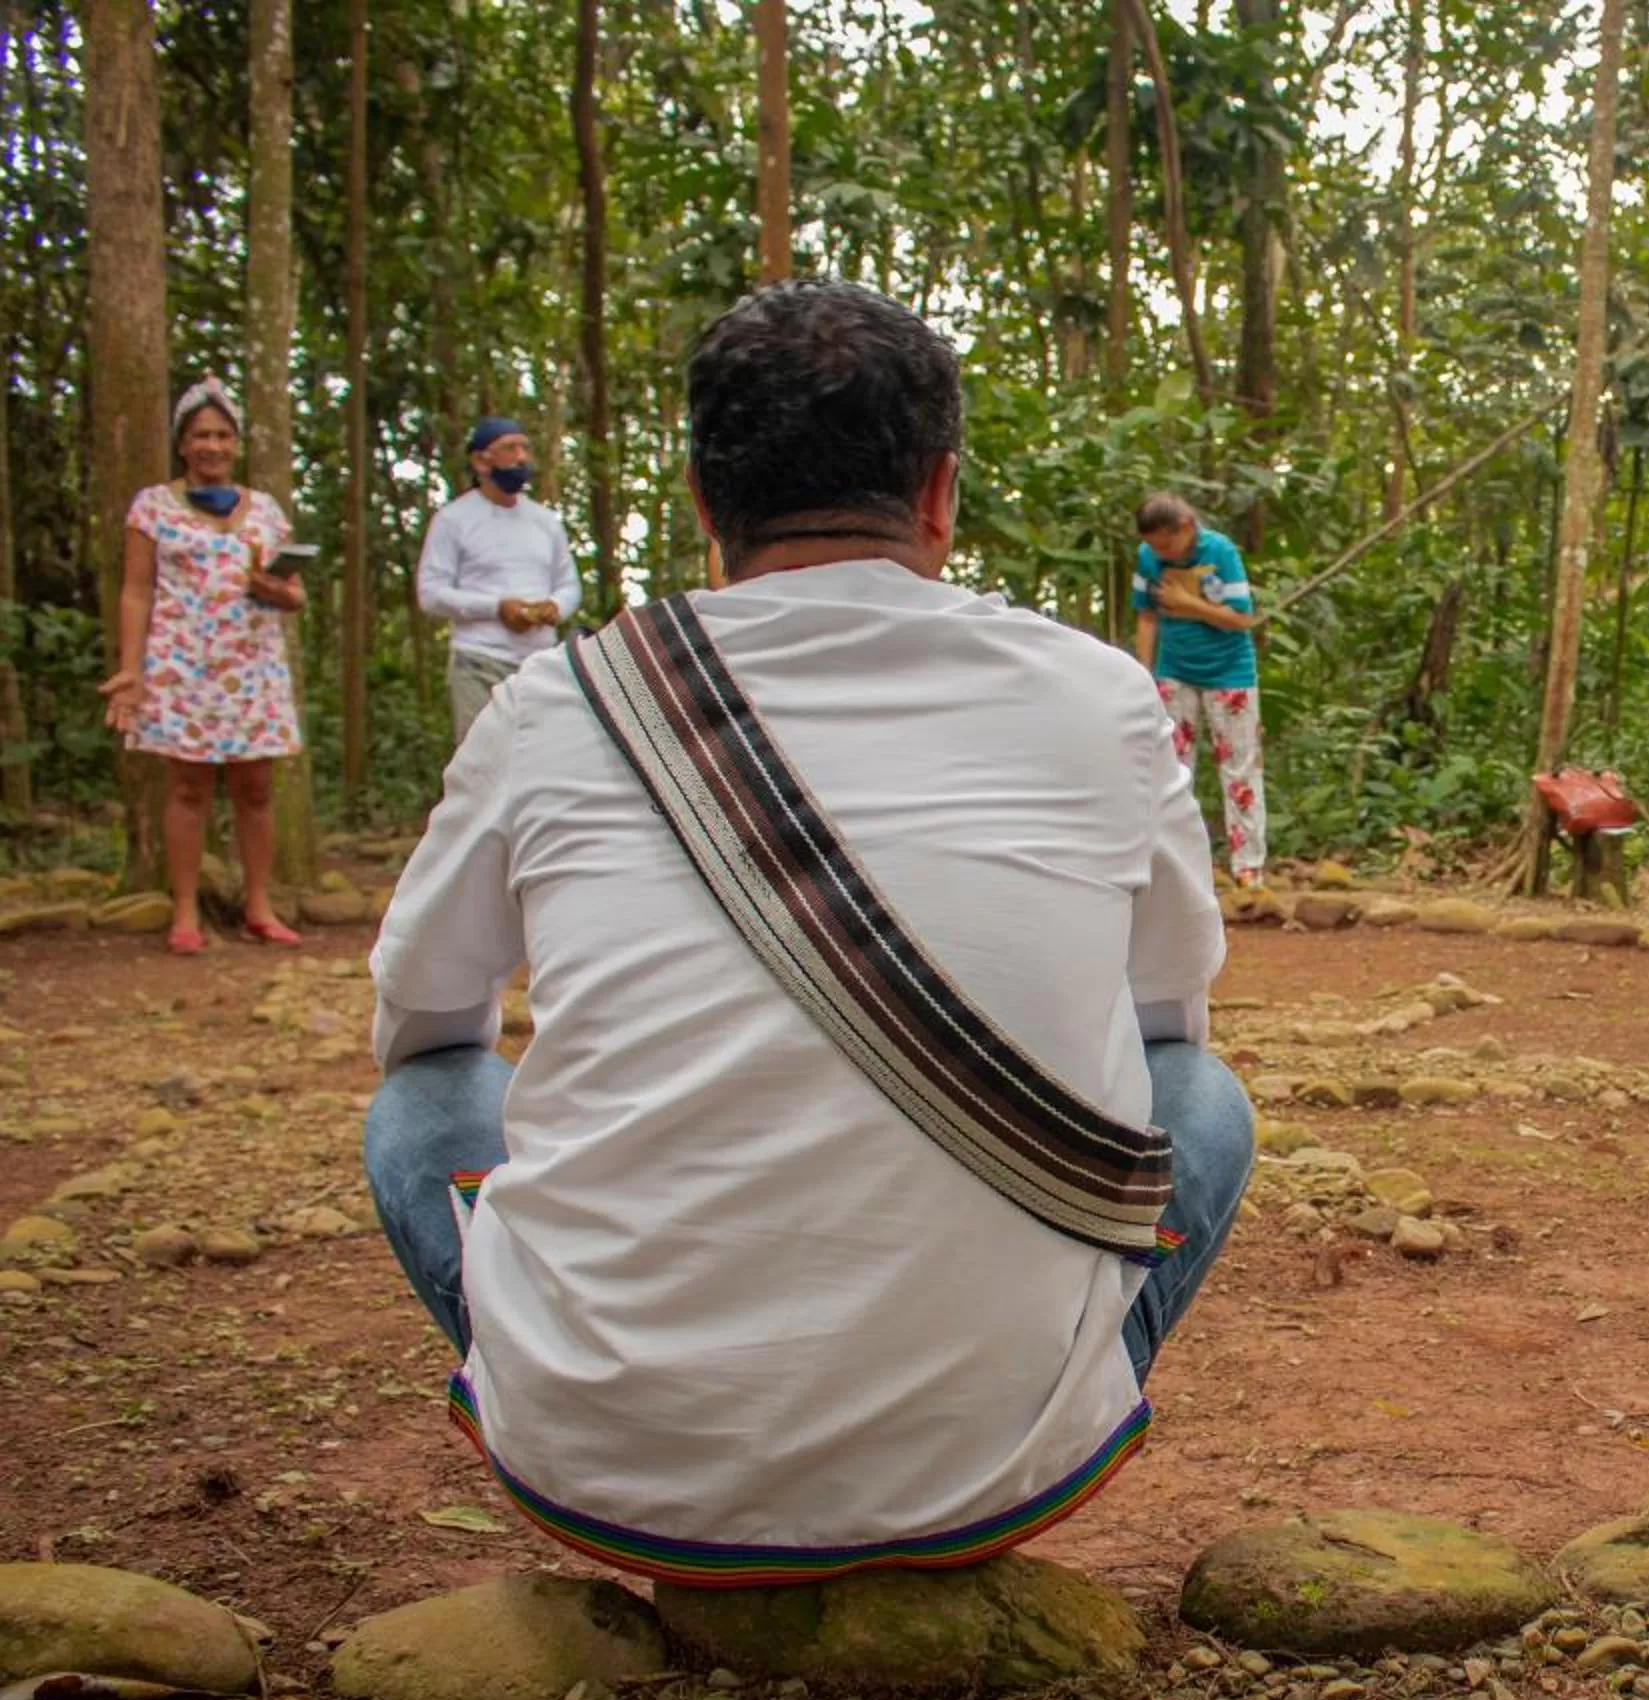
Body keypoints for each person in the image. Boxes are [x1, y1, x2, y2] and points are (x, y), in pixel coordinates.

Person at [362, 280, 1249, 1585]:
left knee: (420, 1106)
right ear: (941, 491)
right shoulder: (1102, 698)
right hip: (993, 1470)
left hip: (617, 1474)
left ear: (703, 500)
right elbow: (1169, 1013)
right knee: (1200, 1096)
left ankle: (574, 1389)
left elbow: (426, 1020)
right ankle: (1002, 1410)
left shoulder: (559, 705)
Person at [97, 377, 308, 955]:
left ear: (236, 443)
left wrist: (277, 589)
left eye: (221, 435)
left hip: (253, 664)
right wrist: (131, 668)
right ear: (182, 444)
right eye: (199, 435)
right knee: (188, 785)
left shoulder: (264, 510)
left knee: (257, 786)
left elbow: (295, 596)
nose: (211, 445)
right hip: (182, 665)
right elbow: (136, 591)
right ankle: (185, 909)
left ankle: (259, 904)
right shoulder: (153, 506)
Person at [416, 416, 583, 748]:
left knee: (540, 761)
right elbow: (430, 593)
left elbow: (569, 583)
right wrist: (496, 608)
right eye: (510, 448)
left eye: (525, 448)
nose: (521, 457)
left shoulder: (545, 521)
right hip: (479, 661)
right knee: (482, 765)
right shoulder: (454, 519)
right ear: (481, 460)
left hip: (540, 665)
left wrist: (555, 607)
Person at [1132, 493, 1267, 890]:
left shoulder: (1220, 552)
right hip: (1174, 671)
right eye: (1154, 546)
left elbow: (1241, 618)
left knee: (1240, 770)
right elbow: (1146, 616)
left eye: (1167, 544)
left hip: (1230, 674)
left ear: (1187, 527)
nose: (1161, 553)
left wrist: (1186, 603)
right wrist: (1145, 673)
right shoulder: (1147, 556)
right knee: (1173, 771)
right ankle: (1178, 873)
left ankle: (1249, 869)